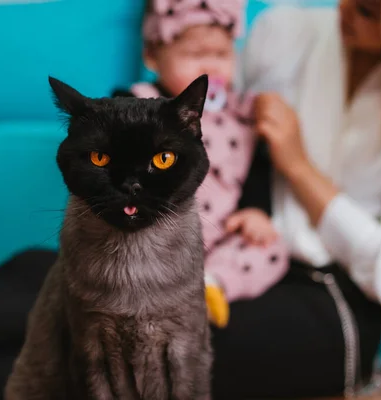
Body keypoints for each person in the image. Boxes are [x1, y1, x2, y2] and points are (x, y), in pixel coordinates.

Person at [0, 0, 381, 399]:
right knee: (53, 277)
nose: (344, 12)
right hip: (217, 253)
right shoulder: (291, 31)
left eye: (366, 10)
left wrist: (301, 170)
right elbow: (207, 121)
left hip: (325, 301)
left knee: (128, 358)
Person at [114, 0, 290, 329]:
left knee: (271, 247)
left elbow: (257, 164)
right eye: (194, 56)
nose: (210, 70)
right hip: (160, 230)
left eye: (221, 55)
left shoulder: (241, 113)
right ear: (153, 56)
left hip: (220, 236)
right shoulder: (141, 103)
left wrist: (256, 210)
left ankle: (212, 286)